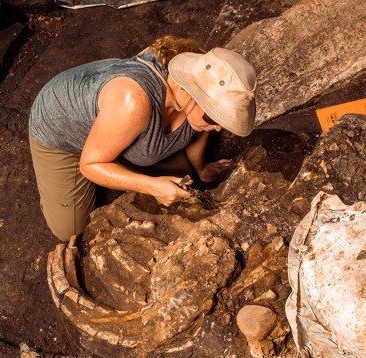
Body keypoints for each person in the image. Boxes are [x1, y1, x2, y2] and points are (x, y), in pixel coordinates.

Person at [28, 36, 257, 241]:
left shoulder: (202, 79)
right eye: (212, 118)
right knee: (69, 230)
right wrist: (151, 186)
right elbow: (89, 164)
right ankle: (74, 175)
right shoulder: (134, 102)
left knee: (184, 180)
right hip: (61, 129)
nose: (216, 128)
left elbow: (201, 130)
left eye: (221, 120)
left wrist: (201, 168)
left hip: (116, 120)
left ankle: (117, 146)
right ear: (192, 94)